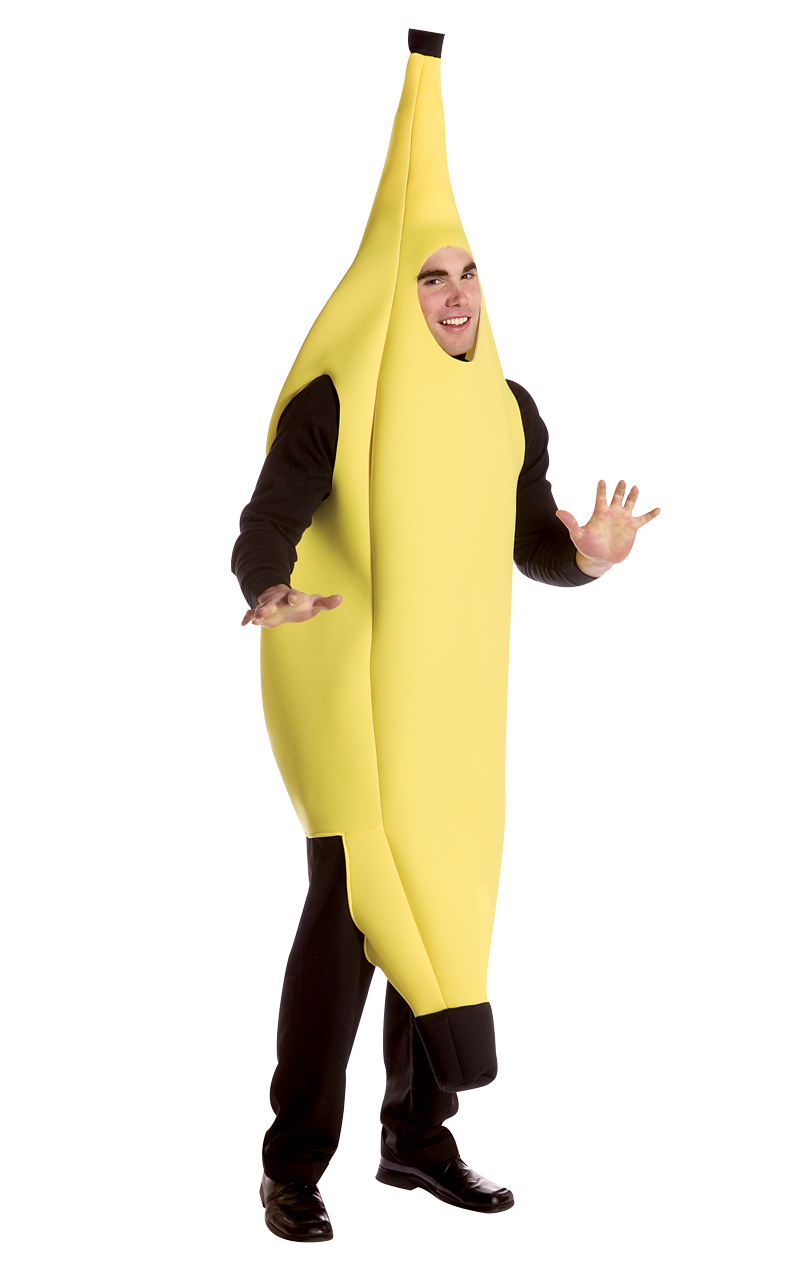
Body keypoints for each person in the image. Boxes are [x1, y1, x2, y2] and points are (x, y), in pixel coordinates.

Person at [237, 241, 659, 1243]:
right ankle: (290, 1164)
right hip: (350, 694)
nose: (455, 296)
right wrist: (267, 589)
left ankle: (415, 1140)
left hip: (452, 703)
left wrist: (588, 559)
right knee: (350, 916)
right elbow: (270, 518)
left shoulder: (506, 409)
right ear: (395, 290)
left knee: (444, 904)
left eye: (467, 274)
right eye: (429, 277)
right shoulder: (339, 400)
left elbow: (530, 541)